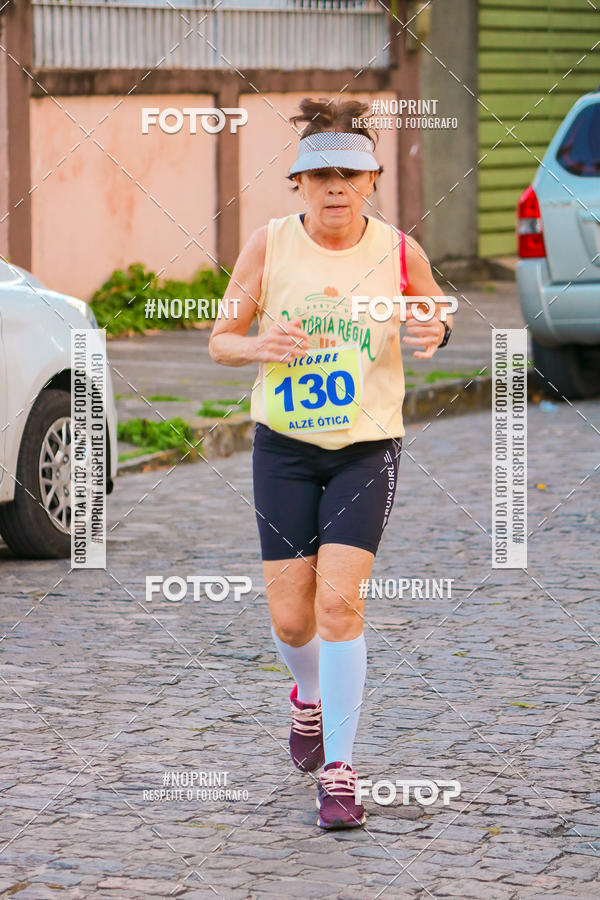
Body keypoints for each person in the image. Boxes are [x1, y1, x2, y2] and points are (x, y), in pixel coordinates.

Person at [209, 97, 453, 830]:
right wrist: (260, 346)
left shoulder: (400, 249)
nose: (337, 188)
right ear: (300, 184)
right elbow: (222, 338)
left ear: (373, 179)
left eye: (351, 174)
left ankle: (341, 773)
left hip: (366, 449)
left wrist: (430, 330)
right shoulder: (270, 244)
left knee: (340, 604)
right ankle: (308, 700)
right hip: (283, 449)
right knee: (290, 620)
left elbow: (434, 311)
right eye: (322, 177)